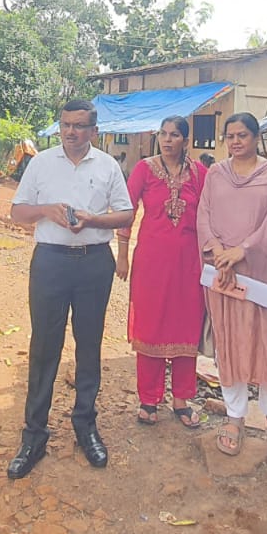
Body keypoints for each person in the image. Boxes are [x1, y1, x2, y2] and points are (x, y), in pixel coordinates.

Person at [6, 99, 134, 479]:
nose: (70, 132)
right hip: (51, 261)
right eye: (65, 125)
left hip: (94, 261)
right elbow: (17, 212)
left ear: (94, 131)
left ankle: (85, 425)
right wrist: (46, 210)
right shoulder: (42, 163)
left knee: (89, 345)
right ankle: (34, 435)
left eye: (79, 126)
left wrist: (94, 219)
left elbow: (126, 214)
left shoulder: (108, 165)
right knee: (44, 346)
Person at [197, 113, 267, 462]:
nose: (235, 142)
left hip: (264, 273)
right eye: (229, 136)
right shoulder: (216, 173)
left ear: (256, 137)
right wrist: (218, 251)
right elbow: (204, 214)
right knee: (231, 341)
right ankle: (235, 418)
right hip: (223, 274)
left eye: (242, 135)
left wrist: (242, 250)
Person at [117, 115, 208, 428]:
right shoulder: (144, 169)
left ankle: (181, 399)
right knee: (151, 326)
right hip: (151, 261)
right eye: (163, 134)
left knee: (186, 328)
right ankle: (149, 398)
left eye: (174, 135)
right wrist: (122, 256)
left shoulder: (200, 173)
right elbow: (127, 212)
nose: (167, 140)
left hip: (189, 264)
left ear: (185, 139)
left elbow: (213, 213)